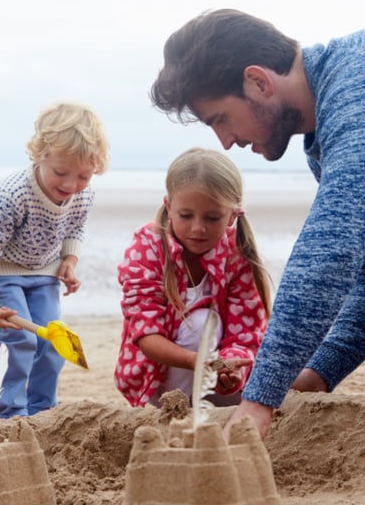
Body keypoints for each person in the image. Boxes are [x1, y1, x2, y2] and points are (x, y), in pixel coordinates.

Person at [150, 9, 365, 438]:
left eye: (220, 119)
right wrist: (315, 373)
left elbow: (330, 253)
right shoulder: (328, 136)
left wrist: (261, 396)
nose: (225, 142)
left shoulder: (360, 85)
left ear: (258, 82)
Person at [0, 101, 109, 419]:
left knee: (53, 342)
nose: (71, 186)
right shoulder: (10, 196)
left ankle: (42, 413)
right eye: (60, 172)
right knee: (21, 340)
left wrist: (69, 260)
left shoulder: (82, 194)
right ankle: (9, 414)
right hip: (3, 269)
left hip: (43, 271)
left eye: (84, 175)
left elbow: (75, 227)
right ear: (40, 155)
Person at [115, 147, 271, 408]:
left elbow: (246, 335)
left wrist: (230, 370)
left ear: (233, 215)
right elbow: (145, 334)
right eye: (186, 216)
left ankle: (210, 408)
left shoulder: (236, 254)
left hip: (215, 382)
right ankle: (176, 408)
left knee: (208, 327)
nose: (198, 228)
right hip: (156, 382)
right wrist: (196, 361)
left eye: (212, 218)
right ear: (169, 206)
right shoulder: (148, 246)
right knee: (197, 325)